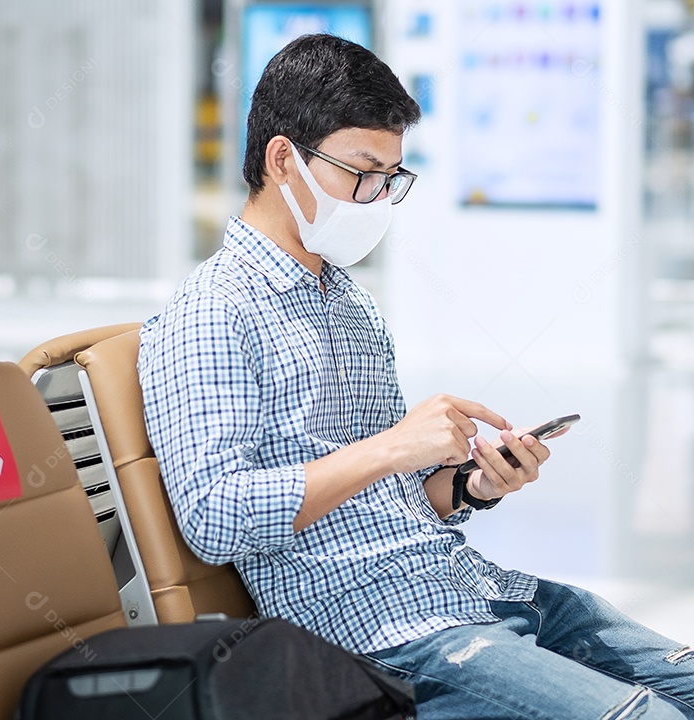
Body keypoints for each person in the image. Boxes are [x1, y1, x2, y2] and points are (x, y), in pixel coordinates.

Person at [138, 34, 694, 719]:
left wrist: (472, 484)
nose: (379, 199)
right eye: (363, 173)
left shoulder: (349, 303)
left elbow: (388, 496)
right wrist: (394, 445)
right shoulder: (211, 314)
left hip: (473, 590)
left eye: (393, 178)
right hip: (385, 636)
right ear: (282, 159)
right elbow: (214, 517)